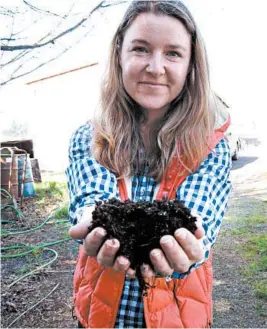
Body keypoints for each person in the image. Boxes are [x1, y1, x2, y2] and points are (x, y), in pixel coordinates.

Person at [66, 0, 232, 328]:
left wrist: (191, 242)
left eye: (173, 53)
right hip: (101, 315)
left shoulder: (209, 144)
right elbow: (92, 198)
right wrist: (93, 221)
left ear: (190, 65)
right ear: (119, 54)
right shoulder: (90, 136)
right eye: (141, 49)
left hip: (179, 317)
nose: (156, 68)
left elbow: (199, 221)